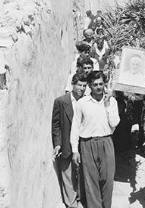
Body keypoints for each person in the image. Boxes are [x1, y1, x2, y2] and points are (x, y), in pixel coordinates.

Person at [70, 71, 120, 208]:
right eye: (95, 84)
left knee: (107, 180)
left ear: (104, 85)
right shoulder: (82, 103)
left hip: (106, 142)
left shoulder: (112, 101)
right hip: (87, 144)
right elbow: (75, 127)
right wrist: (75, 150)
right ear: (90, 86)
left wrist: (108, 103)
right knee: (91, 181)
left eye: (101, 84)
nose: (98, 87)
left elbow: (114, 123)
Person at [52, 73, 87, 208]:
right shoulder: (61, 101)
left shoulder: (87, 101)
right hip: (66, 144)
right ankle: (71, 204)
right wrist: (57, 144)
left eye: (84, 86)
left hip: (82, 144)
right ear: (73, 84)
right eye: (79, 85)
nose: (82, 88)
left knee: (81, 175)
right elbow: (56, 125)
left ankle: (80, 198)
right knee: (67, 175)